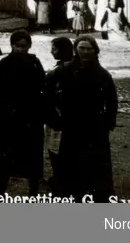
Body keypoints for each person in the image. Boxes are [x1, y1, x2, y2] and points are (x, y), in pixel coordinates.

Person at [58, 35, 119, 203]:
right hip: (71, 124)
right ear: (75, 50)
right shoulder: (65, 70)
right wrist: (56, 116)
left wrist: (108, 121)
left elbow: (112, 101)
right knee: (71, 162)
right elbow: (50, 91)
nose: (85, 52)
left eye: (89, 49)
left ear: (95, 51)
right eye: (81, 48)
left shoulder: (102, 75)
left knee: (95, 165)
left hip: (94, 126)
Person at [0, 30, 46, 196]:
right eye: (18, 46)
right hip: (7, 119)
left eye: (25, 46)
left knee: (33, 156)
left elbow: (42, 89)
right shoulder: (3, 64)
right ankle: (1, 190)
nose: (21, 49)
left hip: (30, 119)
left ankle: (33, 191)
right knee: (5, 156)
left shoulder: (35, 63)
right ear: (12, 45)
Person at [44, 37, 77, 192]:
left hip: (60, 115)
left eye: (54, 49)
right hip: (57, 114)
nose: (51, 51)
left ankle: (61, 179)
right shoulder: (66, 66)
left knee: (57, 148)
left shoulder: (64, 69)